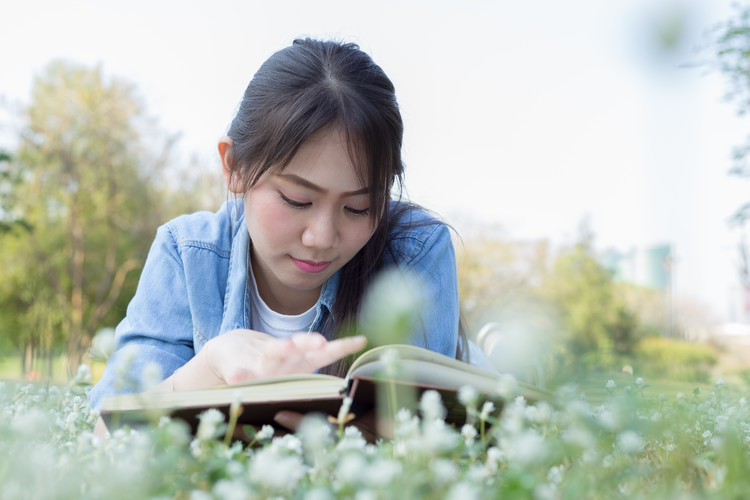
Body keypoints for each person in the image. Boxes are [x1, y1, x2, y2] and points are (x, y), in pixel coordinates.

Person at [88, 38, 468, 435]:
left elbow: (432, 432)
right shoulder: (187, 253)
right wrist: (210, 367)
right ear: (233, 167)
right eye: (296, 199)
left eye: (358, 207)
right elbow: (106, 433)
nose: (321, 237)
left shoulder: (415, 251)